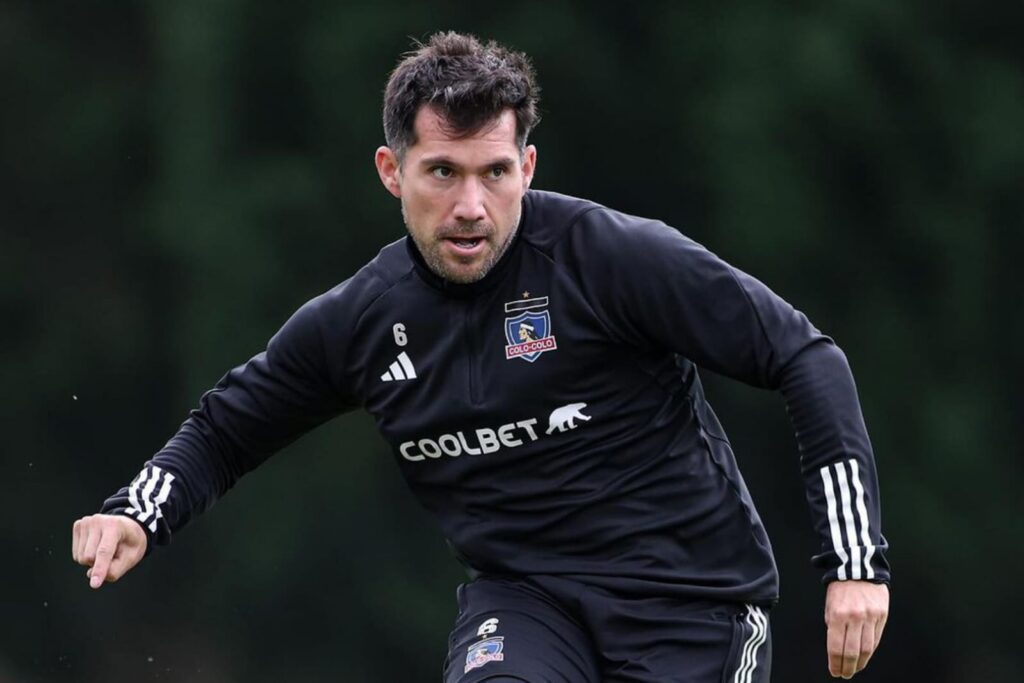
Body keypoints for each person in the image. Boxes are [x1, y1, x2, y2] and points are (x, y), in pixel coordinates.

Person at [71, 31, 890, 682]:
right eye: (443, 173)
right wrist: (136, 510)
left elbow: (805, 356)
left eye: (495, 172)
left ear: (526, 166)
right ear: (393, 172)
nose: (470, 206)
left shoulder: (610, 259)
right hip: (527, 605)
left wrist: (855, 564)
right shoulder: (361, 320)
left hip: (691, 609)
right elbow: (225, 430)